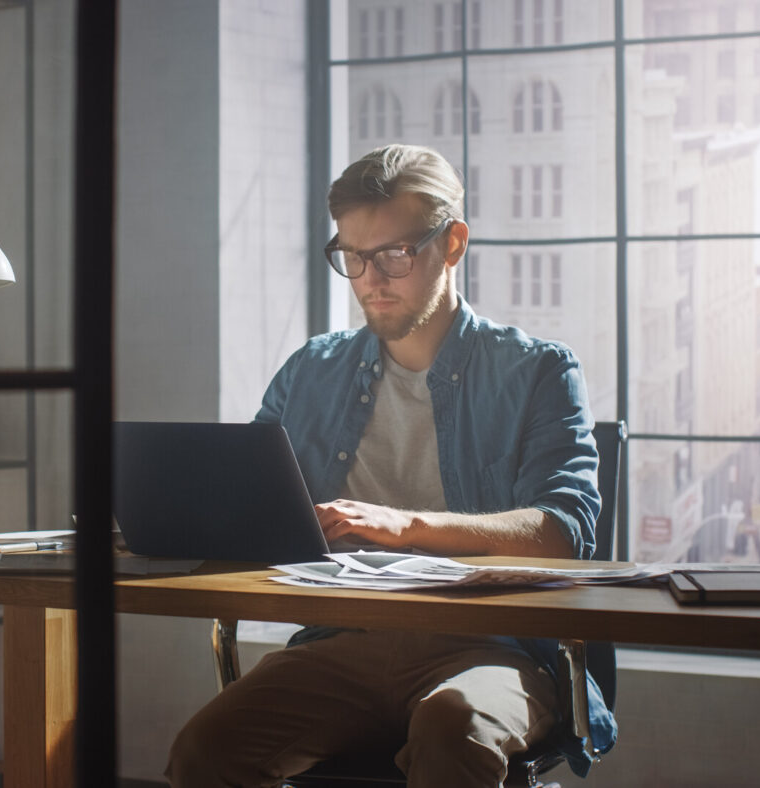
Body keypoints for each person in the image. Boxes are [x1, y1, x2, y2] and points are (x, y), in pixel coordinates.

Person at [165, 144, 616, 788]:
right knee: (204, 753)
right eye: (353, 256)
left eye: (395, 255)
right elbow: (250, 508)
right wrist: (174, 518)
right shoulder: (309, 372)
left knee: (452, 726)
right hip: (342, 641)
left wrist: (402, 525)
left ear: (453, 243)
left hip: (491, 647)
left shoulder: (537, 371)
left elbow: (560, 531)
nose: (371, 279)